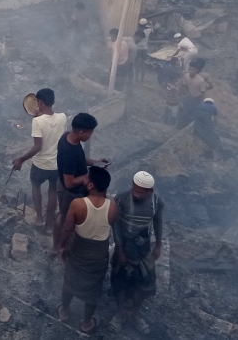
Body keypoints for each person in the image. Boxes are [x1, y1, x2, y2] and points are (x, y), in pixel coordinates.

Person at [58, 166, 117, 334]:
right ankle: (86, 322)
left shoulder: (78, 204)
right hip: (99, 255)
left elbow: (68, 228)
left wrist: (62, 246)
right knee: (94, 288)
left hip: (79, 250)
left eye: (86, 179)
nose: (83, 180)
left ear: (90, 185)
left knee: (70, 279)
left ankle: (64, 311)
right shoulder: (112, 207)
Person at [109, 171, 164, 335]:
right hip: (124, 243)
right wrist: (119, 249)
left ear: (150, 191)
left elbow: (158, 221)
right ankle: (119, 314)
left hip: (143, 246)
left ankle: (134, 313)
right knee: (119, 279)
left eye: (141, 192)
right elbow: (116, 224)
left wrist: (158, 245)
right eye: (135, 189)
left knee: (146, 281)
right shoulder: (122, 198)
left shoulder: (156, 202)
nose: (137, 194)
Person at [12, 88, 67, 238]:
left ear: (40, 103)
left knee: (36, 187)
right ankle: (49, 226)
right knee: (53, 192)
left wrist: (21, 159)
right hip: (56, 164)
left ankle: (39, 219)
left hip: (40, 164)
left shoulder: (37, 121)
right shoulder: (63, 117)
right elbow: (53, 125)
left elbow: (38, 147)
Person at [56, 113, 107, 236]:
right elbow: (69, 183)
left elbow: (79, 160)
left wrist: (95, 163)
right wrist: (88, 177)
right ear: (80, 132)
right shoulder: (68, 153)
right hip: (70, 192)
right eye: (89, 133)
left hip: (68, 187)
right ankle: (59, 247)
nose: (90, 136)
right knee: (66, 221)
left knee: (64, 216)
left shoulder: (67, 136)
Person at [174, 58, 213, 128]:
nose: (191, 70)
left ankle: (183, 126)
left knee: (188, 111)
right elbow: (211, 86)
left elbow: (207, 88)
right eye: (190, 69)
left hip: (194, 96)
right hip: (191, 95)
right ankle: (182, 125)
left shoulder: (200, 77)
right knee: (186, 110)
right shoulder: (203, 75)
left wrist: (201, 89)